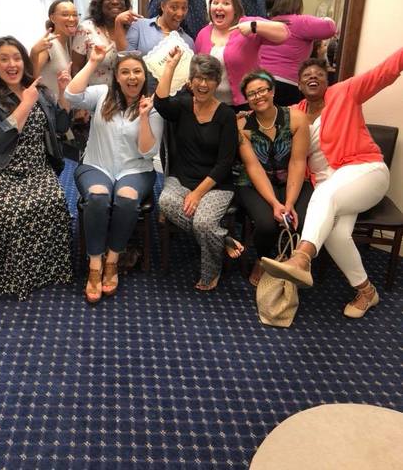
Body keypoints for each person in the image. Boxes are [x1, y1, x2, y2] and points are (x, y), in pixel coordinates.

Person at [261, 50, 403, 318]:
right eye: (306, 75)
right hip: (333, 188)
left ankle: (301, 257)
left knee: (324, 194)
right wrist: (240, 117)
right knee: (336, 235)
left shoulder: (345, 92)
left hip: (367, 171)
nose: (312, 77)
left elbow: (384, 72)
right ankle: (367, 292)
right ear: (299, 85)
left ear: (327, 81)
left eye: (319, 74)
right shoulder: (295, 112)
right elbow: (265, 117)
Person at [0, 36, 73, 300]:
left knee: (55, 202)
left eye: (16, 58)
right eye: (4, 59)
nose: (11, 64)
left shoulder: (38, 90)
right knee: (12, 209)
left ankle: (41, 269)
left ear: (24, 62)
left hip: (35, 167)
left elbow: (61, 126)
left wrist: (63, 92)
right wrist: (25, 104)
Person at [65, 47, 163, 303]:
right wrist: (92, 62)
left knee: (127, 198)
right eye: (125, 72)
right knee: (98, 196)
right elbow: (71, 95)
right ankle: (95, 265)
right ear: (117, 77)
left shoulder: (152, 107)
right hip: (97, 165)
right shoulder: (102, 94)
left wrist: (144, 117)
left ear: (144, 76)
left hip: (136, 169)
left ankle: (113, 260)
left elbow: (147, 151)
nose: (132, 77)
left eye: (137, 71)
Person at [154, 49, 243, 291]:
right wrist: (170, 65)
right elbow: (160, 103)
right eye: (199, 78)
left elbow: (225, 163)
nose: (203, 84)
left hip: (216, 183)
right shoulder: (183, 105)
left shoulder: (226, 115)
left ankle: (210, 273)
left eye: (209, 79)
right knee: (166, 202)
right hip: (182, 179)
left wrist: (198, 193)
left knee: (204, 223)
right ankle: (222, 237)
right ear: (191, 81)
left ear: (217, 82)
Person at [236, 70, 312, 286]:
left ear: (272, 91)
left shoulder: (296, 118)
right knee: (267, 224)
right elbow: (253, 167)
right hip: (254, 183)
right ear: (247, 99)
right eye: (252, 94)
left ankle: (290, 261)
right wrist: (275, 203)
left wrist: (289, 202)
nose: (258, 96)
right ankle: (261, 259)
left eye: (262, 90)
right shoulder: (241, 126)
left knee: (302, 220)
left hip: (292, 180)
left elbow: (298, 162)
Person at [194, 0, 289, 108]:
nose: (219, 7)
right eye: (215, 2)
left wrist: (254, 26)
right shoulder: (203, 33)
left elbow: (284, 33)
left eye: (226, 3)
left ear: (235, 9)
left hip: (245, 104)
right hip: (212, 105)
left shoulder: (247, 24)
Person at [258, 0, 337, 105]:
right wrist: (326, 18)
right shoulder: (301, 22)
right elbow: (330, 28)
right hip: (286, 84)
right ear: (299, 5)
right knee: (286, 116)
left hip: (260, 81)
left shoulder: (267, 24)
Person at [72, 0, 141, 86]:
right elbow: (76, 69)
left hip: (126, 93)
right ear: (99, 2)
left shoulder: (133, 28)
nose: (115, 2)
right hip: (94, 94)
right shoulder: (86, 29)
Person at [126, 0, 194, 55]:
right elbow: (126, 57)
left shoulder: (188, 42)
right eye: (174, 7)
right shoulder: (140, 27)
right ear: (163, 6)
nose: (180, 14)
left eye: (184, 8)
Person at [30, 0, 79, 97]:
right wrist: (34, 52)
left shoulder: (65, 44)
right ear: (52, 18)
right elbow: (31, 77)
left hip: (59, 104)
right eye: (65, 14)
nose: (71, 19)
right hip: (48, 104)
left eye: (74, 15)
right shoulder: (49, 43)